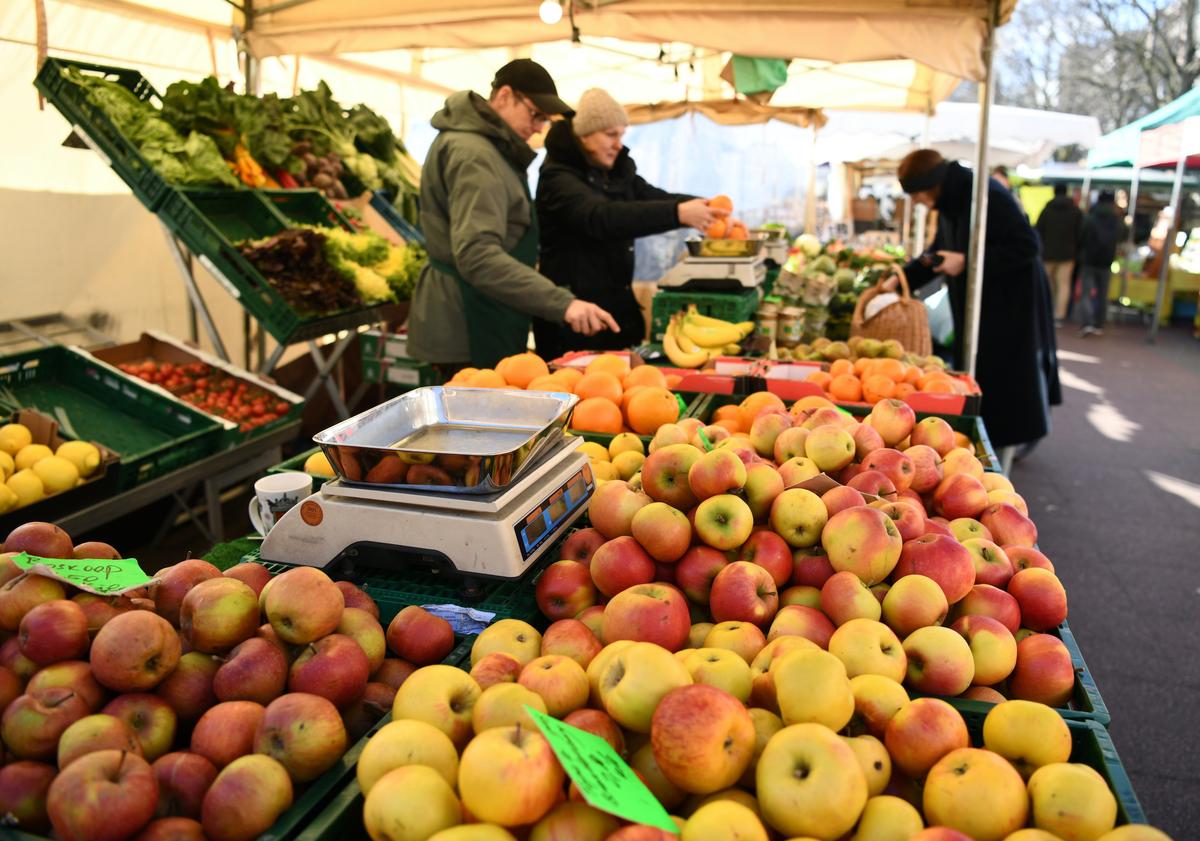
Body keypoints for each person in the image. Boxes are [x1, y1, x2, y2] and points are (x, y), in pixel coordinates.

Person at [407, 59, 619, 371]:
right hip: (468, 320)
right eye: (535, 115)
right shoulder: (475, 155)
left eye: (544, 120)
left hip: (481, 313)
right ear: (504, 96)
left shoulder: (488, 148)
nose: (538, 128)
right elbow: (477, 254)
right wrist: (562, 303)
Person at [532, 88, 727, 358]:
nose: (618, 144)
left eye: (622, 135)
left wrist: (707, 207)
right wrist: (678, 213)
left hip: (615, 308)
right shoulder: (558, 177)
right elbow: (601, 217)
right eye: (611, 135)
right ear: (585, 134)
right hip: (575, 319)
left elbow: (652, 197)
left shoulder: (615, 171)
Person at [899, 149, 1061, 466]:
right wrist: (901, 278)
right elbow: (938, 253)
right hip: (980, 309)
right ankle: (984, 450)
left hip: (1007, 308)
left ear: (931, 184)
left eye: (917, 194)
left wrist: (969, 261)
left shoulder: (986, 196)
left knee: (1002, 384)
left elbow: (1027, 246)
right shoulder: (951, 201)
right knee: (983, 378)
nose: (917, 202)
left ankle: (996, 457)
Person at [1077, 190, 1127, 337]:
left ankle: (1087, 322)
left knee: (1086, 293)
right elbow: (1123, 235)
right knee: (1102, 293)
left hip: (1089, 260)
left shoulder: (1091, 217)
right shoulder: (1117, 219)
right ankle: (1099, 323)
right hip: (1107, 260)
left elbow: (1081, 235)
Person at [1035, 183, 1084, 324]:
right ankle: (1059, 315)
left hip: (1047, 253)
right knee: (1064, 284)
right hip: (1068, 254)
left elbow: (1039, 230)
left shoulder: (1046, 210)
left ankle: (1046, 310)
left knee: (1048, 283)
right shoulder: (1075, 211)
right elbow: (1080, 233)